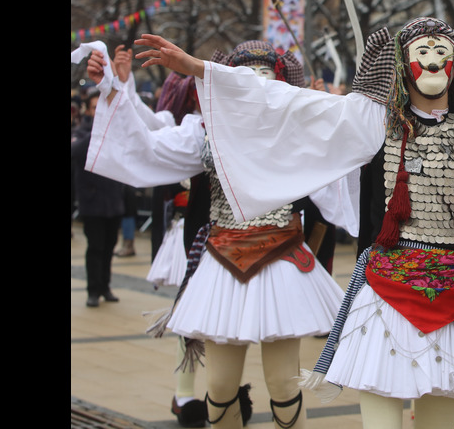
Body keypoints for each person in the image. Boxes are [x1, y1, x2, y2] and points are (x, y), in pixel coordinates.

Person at [134, 17, 454, 429]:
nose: (434, 63)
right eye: (422, 53)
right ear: (403, 63)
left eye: (443, 54)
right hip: (385, 295)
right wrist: (200, 69)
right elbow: (290, 104)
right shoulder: (372, 121)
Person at [84, 41, 345, 429]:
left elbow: (341, 178)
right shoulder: (205, 133)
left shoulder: (297, 134)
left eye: (264, 78)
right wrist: (115, 89)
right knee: (220, 387)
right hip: (224, 260)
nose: (254, 86)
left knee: (282, 384)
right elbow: (148, 149)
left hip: (283, 260)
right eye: (242, 78)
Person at [72, 88, 125, 307]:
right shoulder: (83, 132)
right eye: (95, 108)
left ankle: (105, 285)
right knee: (95, 247)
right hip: (92, 202)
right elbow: (77, 152)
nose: (98, 111)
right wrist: (98, 129)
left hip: (112, 200)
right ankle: (93, 289)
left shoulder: (114, 132)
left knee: (110, 245)